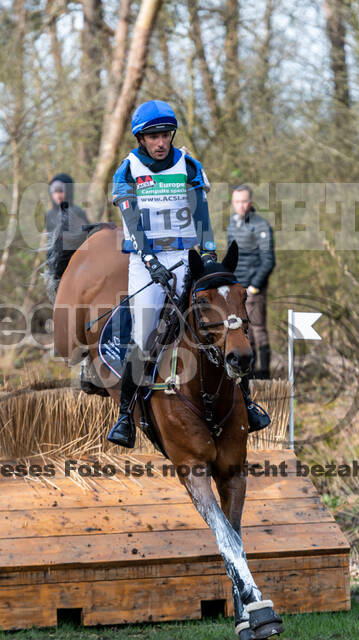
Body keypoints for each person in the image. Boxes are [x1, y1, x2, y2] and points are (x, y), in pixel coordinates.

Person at [108, 101, 270, 449]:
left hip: (186, 256)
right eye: (153, 136)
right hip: (145, 261)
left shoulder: (188, 164)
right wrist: (151, 263)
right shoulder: (127, 171)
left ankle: (248, 402)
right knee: (145, 332)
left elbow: (202, 216)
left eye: (165, 134)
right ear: (141, 138)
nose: (160, 142)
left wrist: (210, 254)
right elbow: (132, 224)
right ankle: (125, 416)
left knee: (223, 323)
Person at [227, 185, 275, 379]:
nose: (241, 205)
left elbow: (268, 259)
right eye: (237, 202)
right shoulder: (232, 223)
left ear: (251, 202)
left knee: (258, 329)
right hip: (237, 288)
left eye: (244, 201)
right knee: (243, 330)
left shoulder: (261, 226)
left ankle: (264, 374)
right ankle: (249, 374)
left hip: (254, 287)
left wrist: (255, 285)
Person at [45, 173, 90, 284]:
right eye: (54, 192)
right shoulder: (49, 215)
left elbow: (87, 241)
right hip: (56, 268)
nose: (57, 195)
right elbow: (50, 242)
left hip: (78, 267)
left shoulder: (78, 212)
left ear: (69, 191)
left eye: (61, 191)